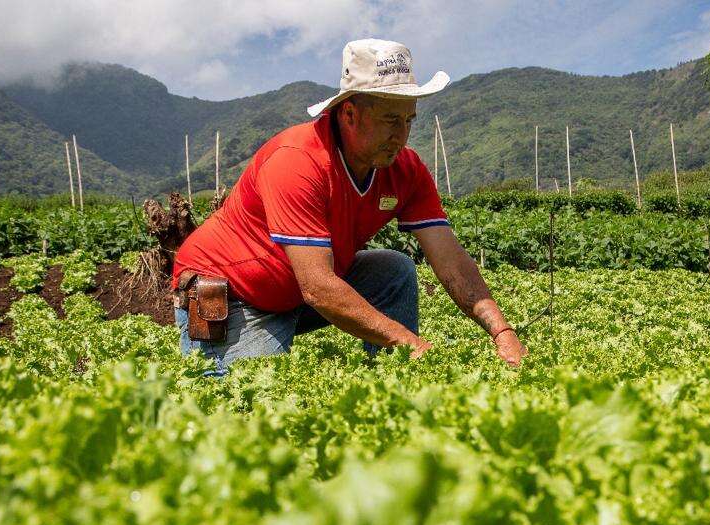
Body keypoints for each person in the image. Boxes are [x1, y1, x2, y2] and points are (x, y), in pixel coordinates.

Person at [172, 38, 527, 376]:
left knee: (393, 269)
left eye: (408, 120)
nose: (401, 135)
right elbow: (318, 287)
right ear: (350, 114)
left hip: (295, 290)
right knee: (250, 411)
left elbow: (450, 258)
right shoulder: (297, 161)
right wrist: (410, 342)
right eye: (391, 120)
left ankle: (393, 381)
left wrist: (501, 331)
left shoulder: (406, 170)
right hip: (234, 294)